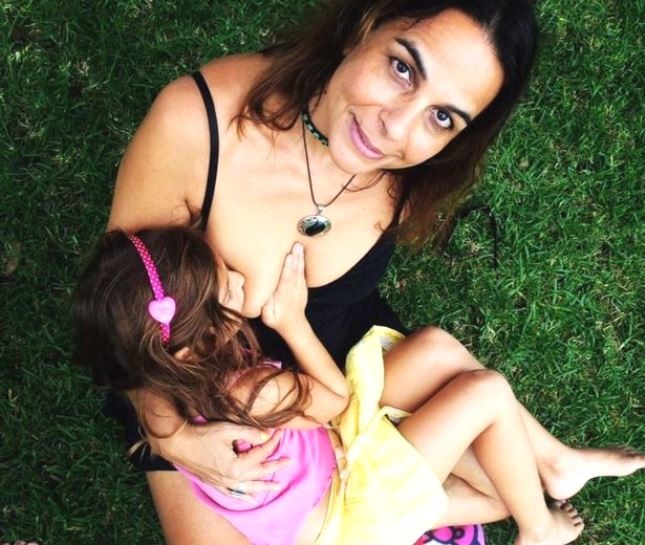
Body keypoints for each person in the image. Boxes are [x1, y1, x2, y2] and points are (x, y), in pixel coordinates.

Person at [105, 0, 645, 542]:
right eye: (403, 68)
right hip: (200, 395)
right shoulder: (196, 123)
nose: (395, 128)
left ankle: (549, 462)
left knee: (506, 487)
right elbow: (120, 311)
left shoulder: (412, 167)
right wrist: (174, 436)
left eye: (442, 117)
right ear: (360, 27)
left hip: (334, 368)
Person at [75, 226, 592, 545]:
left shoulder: (171, 399)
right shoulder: (252, 394)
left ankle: (458, 506)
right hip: (349, 511)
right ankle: (539, 533)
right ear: (200, 341)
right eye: (227, 286)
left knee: (487, 471)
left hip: (328, 503)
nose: (240, 278)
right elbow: (334, 399)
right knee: (485, 396)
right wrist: (291, 321)